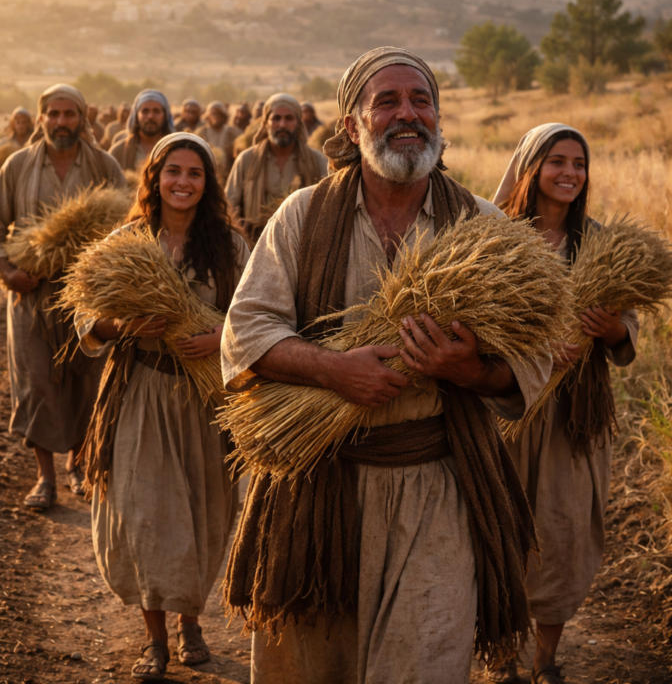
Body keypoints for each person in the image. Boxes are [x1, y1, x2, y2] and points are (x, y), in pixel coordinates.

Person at [222, 47, 549, 684]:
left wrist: (471, 372)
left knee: (425, 661)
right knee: (315, 664)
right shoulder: (302, 216)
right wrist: (331, 370)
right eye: (388, 102)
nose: (408, 115)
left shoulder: (483, 227)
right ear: (352, 126)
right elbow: (247, 331)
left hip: (438, 486)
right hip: (319, 484)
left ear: (439, 117)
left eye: (421, 100)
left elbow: (531, 357)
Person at [76, 133, 250, 681]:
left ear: (208, 183)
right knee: (147, 516)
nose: (182, 181)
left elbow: (258, 316)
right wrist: (120, 325)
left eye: (194, 173)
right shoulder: (128, 241)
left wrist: (220, 333)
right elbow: (86, 319)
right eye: (172, 170)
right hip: (142, 395)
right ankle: (155, 639)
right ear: (154, 177)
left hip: (204, 402)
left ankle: (190, 621)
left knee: (202, 514)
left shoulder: (230, 246)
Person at [490, 124, 639, 684]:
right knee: (502, 529)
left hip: (575, 417)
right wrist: (531, 348)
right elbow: (471, 321)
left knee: (566, 531)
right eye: (557, 161)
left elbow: (629, 327)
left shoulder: (601, 245)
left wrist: (612, 330)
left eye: (580, 162)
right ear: (531, 168)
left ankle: (545, 660)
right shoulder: (497, 240)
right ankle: (499, 654)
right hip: (505, 412)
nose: (570, 172)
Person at [0, 84, 126, 511]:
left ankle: (78, 464)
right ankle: (45, 478)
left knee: (85, 381)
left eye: (69, 114)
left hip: (88, 301)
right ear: (40, 119)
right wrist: (8, 271)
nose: (61, 122)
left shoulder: (105, 165)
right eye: (53, 114)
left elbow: (127, 230)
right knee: (37, 382)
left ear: (83, 118)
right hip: (31, 298)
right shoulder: (17, 166)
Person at [224, 93, 327, 241]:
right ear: (266, 123)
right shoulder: (246, 160)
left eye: (289, 118)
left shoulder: (317, 160)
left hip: (303, 246)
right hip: (254, 244)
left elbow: (329, 206)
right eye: (276, 118)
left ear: (298, 123)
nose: (282, 125)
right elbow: (229, 206)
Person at [109, 89, 174, 171]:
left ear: (165, 116)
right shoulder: (118, 152)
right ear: (136, 115)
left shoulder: (176, 150)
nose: (150, 116)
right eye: (145, 111)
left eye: (156, 111)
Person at [0, 107, 34, 190]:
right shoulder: (2, 144)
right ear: (12, 124)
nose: (20, 126)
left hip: (30, 186)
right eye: (18, 122)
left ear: (28, 124)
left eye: (24, 122)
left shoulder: (35, 144)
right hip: (8, 186)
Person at [194, 101, 241, 184]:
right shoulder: (200, 132)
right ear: (208, 116)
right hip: (207, 174)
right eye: (213, 114)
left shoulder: (233, 132)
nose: (217, 117)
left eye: (220, 114)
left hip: (228, 175)